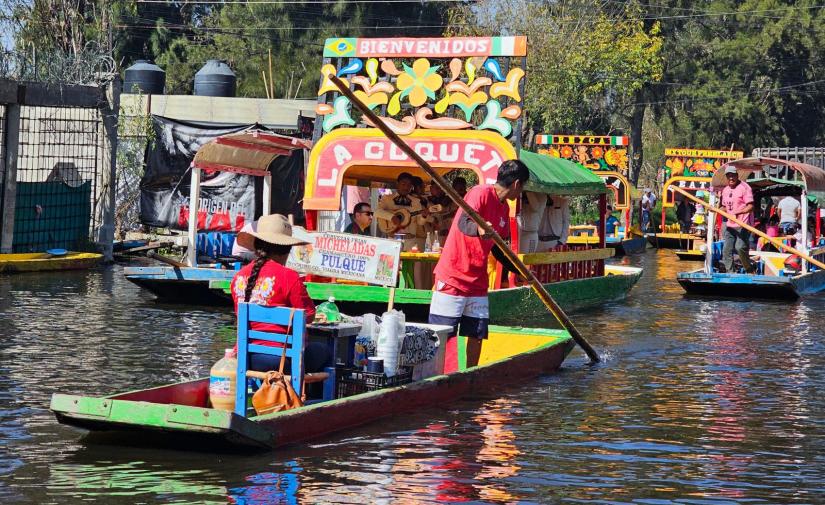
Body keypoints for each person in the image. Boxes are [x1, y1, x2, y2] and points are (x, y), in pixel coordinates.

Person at [429, 159, 529, 374]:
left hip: (477, 280)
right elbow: (464, 223)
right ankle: (441, 376)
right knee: (444, 333)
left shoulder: (503, 210)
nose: (521, 193)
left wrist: (519, 271)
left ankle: (470, 375)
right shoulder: (480, 192)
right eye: (523, 188)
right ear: (517, 184)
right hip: (453, 275)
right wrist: (480, 229)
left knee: (477, 332)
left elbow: (499, 249)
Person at [230, 214, 331, 375]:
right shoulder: (289, 277)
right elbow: (309, 315)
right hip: (282, 359)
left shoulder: (238, 277)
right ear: (286, 249)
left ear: (256, 246)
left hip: (246, 357)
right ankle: (308, 398)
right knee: (325, 350)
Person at [378, 172, 429, 251]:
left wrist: (424, 216)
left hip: (410, 241)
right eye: (403, 184)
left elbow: (420, 222)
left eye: (409, 185)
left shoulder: (416, 201)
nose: (406, 187)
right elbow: (377, 212)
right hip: (393, 239)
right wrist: (391, 217)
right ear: (397, 184)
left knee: (409, 263)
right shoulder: (387, 199)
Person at [719, 165, 754, 273]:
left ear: (737, 175)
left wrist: (739, 212)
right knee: (726, 250)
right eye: (728, 176)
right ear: (726, 177)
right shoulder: (725, 190)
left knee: (740, 247)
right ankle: (731, 273)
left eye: (733, 175)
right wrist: (717, 209)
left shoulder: (745, 188)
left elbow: (751, 206)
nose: (731, 178)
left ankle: (749, 269)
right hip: (730, 225)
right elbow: (724, 207)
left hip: (743, 224)